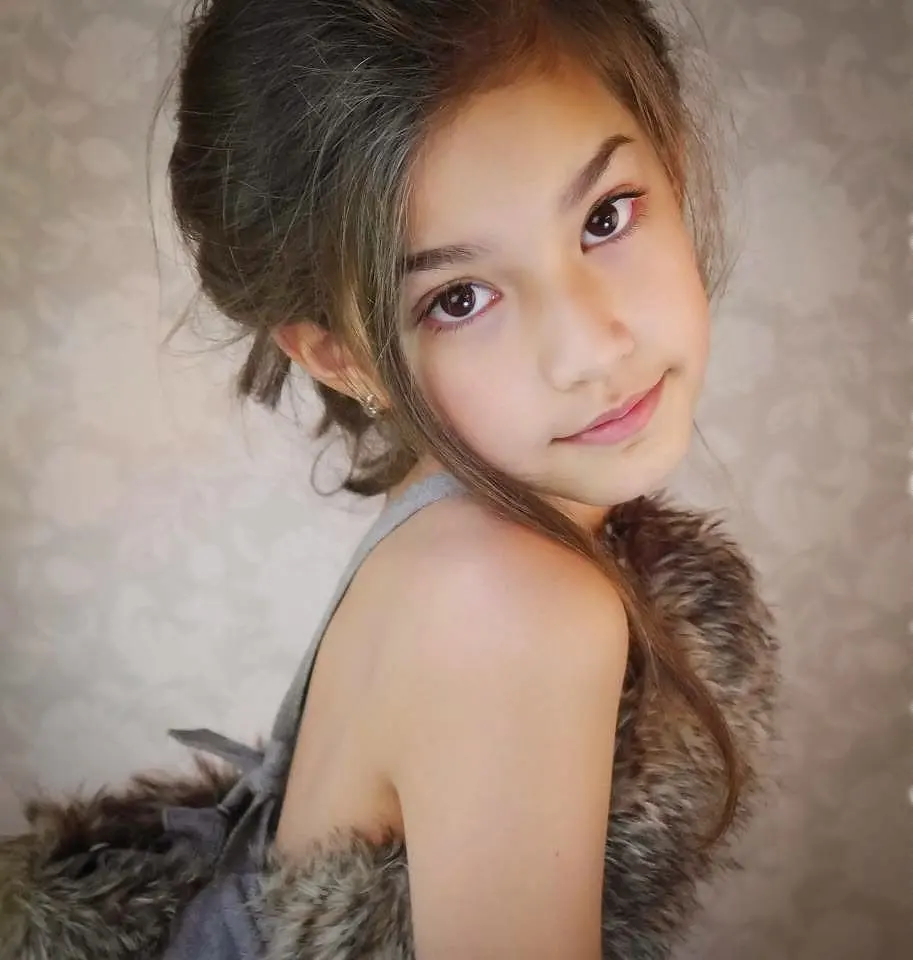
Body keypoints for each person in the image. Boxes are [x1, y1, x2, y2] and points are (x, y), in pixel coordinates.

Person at [0, 1, 779, 958]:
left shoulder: (466, 550)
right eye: (460, 298)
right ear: (341, 357)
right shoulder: (509, 601)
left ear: (674, 161)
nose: (588, 347)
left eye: (603, 217)